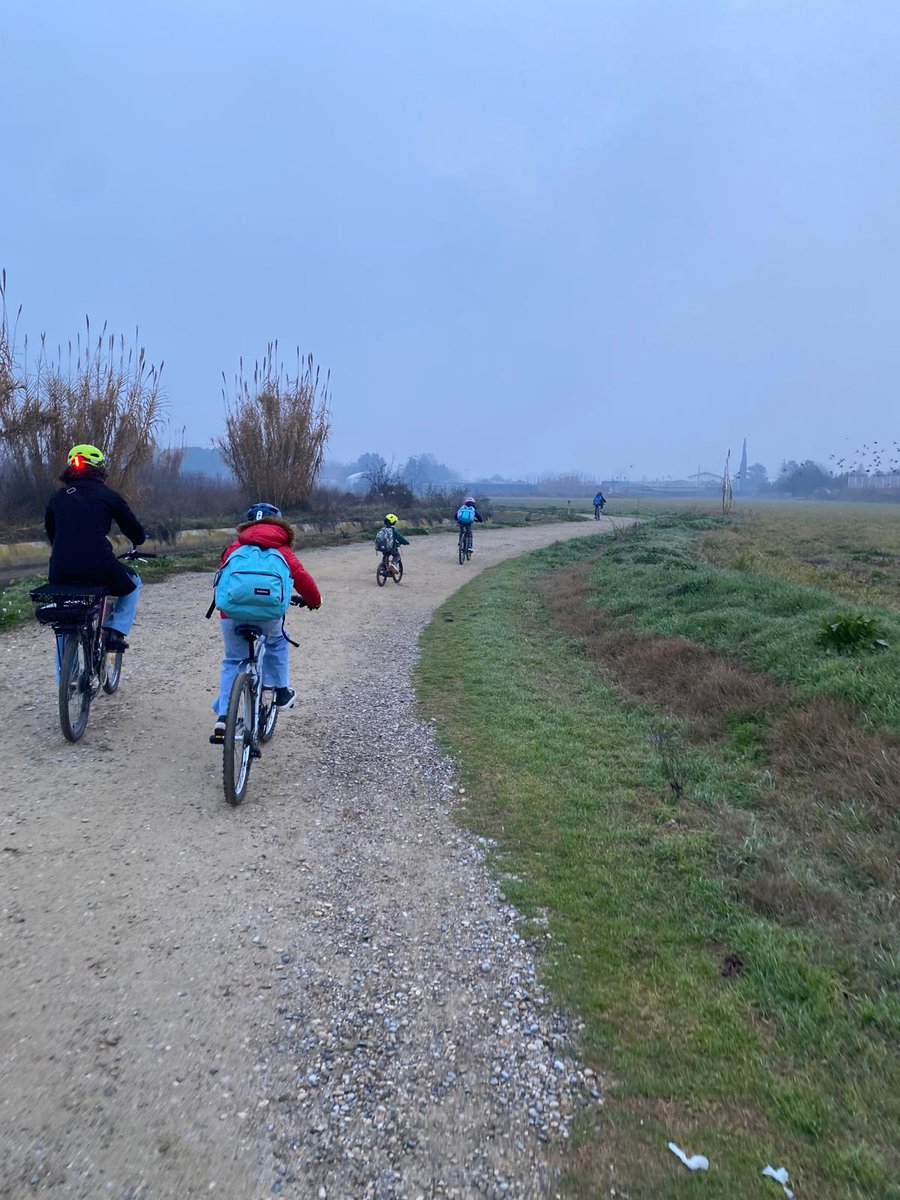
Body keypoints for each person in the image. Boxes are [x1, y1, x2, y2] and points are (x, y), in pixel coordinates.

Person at [210, 502, 321, 744]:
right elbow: (301, 577)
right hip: (269, 615)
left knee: (233, 661)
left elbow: (221, 578)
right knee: (278, 641)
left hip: (232, 614)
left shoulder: (234, 547)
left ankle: (223, 717)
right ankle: (281, 690)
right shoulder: (281, 549)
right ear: (279, 524)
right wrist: (314, 600)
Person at [45, 444, 146, 659]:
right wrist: (139, 539)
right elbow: (133, 529)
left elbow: (52, 535)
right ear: (100, 469)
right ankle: (115, 631)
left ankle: (67, 679)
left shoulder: (57, 498)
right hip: (99, 566)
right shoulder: (109, 496)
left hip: (60, 571)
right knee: (134, 583)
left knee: (65, 623)